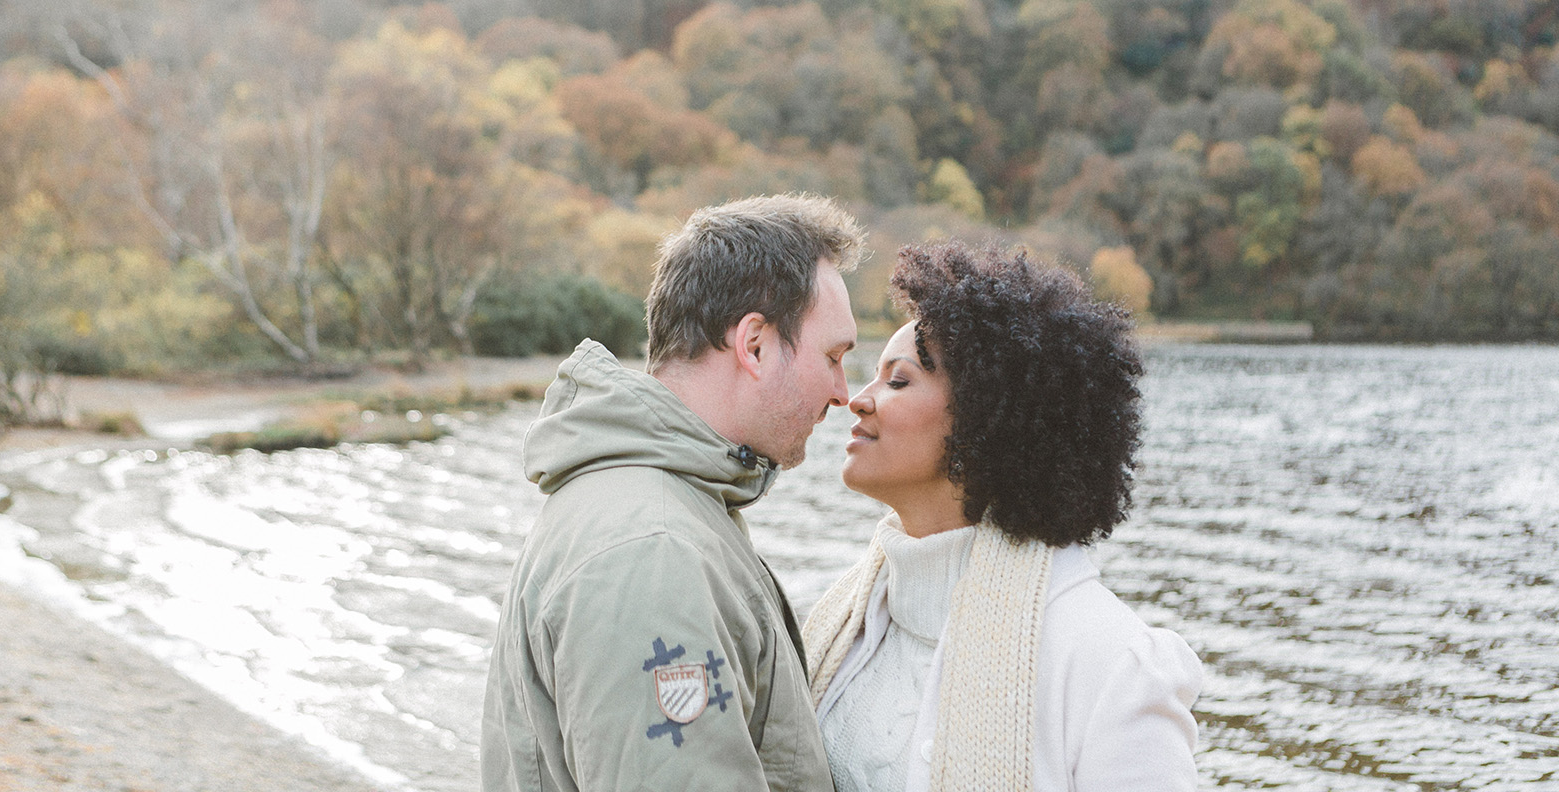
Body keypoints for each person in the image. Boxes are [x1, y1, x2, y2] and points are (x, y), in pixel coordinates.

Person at [480, 194, 865, 792]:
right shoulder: (652, 551)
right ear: (755, 344)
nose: (844, 391)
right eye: (834, 356)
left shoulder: (670, 504)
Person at [803, 242, 1201, 792]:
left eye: (898, 380)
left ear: (988, 419)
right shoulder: (849, 620)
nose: (858, 400)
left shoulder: (1111, 664)